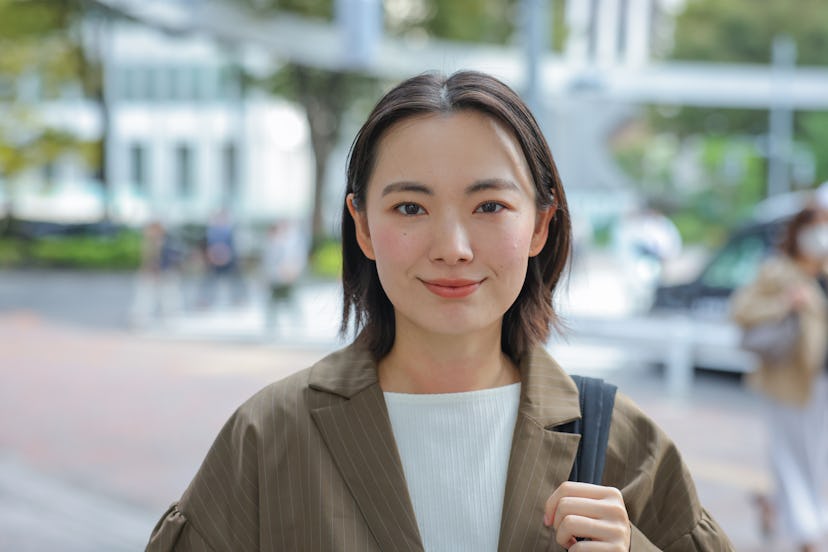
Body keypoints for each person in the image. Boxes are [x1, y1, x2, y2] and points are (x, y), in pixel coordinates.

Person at [146, 71, 732, 551]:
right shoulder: (270, 437)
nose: (453, 246)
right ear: (363, 227)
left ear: (540, 224)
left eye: (490, 205)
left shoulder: (621, 445)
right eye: (409, 207)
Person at [731, 204, 828, 552]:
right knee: (789, 456)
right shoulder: (777, 270)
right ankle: (807, 534)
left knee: (817, 458)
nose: (821, 234)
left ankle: (776, 506)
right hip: (785, 380)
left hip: (822, 381)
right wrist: (787, 302)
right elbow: (741, 310)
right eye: (815, 226)